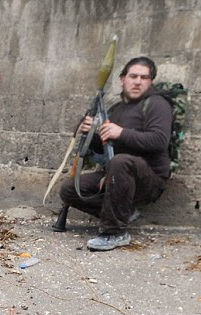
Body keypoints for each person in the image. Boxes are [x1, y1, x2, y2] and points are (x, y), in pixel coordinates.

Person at [58, 56, 172, 252]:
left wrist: (121, 133)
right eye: (133, 76)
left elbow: (159, 140)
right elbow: (103, 145)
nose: (137, 81)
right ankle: (124, 213)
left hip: (148, 178)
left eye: (144, 77)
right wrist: (87, 130)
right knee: (70, 190)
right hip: (114, 174)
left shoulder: (157, 104)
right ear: (122, 79)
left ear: (150, 81)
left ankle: (115, 232)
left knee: (121, 161)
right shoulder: (116, 109)